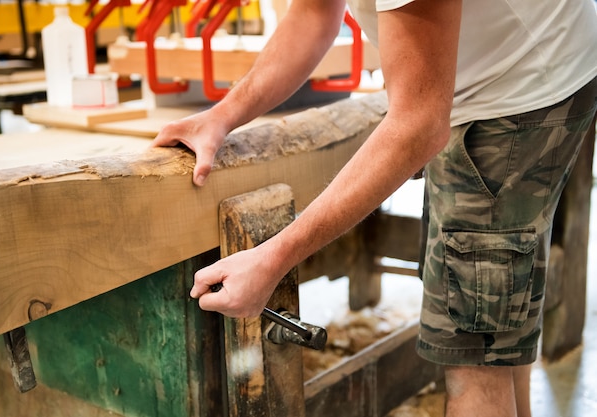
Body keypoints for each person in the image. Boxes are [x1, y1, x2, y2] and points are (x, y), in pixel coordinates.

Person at [152, 0, 597, 415]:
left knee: (471, 351)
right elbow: (313, 13)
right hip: (504, 66)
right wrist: (223, 115)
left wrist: (274, 257)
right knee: (492, 327)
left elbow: (420, 125)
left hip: (522, 83)